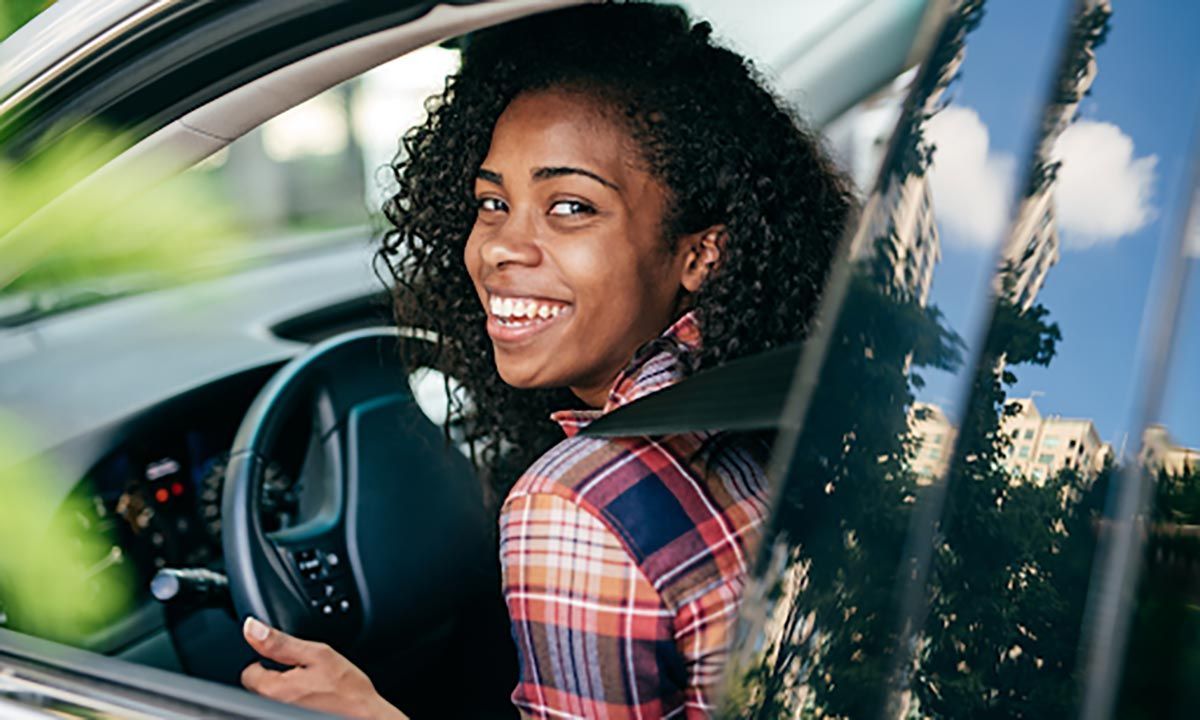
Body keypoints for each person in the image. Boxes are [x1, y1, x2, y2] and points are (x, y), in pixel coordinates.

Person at [239, 2, 854, 717]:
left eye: (570, 207)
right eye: (493, 202)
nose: (500, 246)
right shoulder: (783, 396)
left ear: (699, 253)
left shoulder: (572, 506)